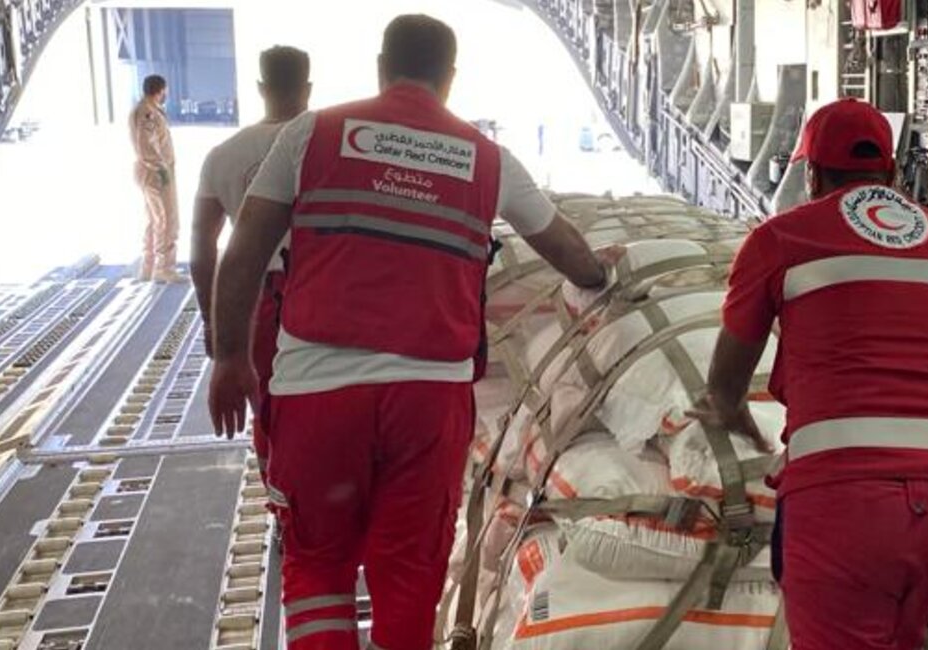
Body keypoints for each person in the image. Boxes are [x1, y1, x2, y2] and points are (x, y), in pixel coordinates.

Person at [205, 15, 612, 650]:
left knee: (316, 564)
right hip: (429, 401)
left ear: (380, 66)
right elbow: (563, 246)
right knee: (409, 576)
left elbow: (244, 251)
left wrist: (230, 355)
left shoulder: (313, 134)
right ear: (449, 78)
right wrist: (599, 276)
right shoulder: (487, 158)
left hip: (317, 391)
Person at [697, 98, 928, 650]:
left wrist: (732, 414)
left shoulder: (779, 238)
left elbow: (725, 385)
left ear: (811, 174)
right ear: (893, 171)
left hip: (846, 509)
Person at [192, 46, 311, 473]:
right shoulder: (324, 146)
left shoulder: (222, 156)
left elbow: (202, 247)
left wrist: (215, 321)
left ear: (261, 88)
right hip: (319, 295)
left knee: (268, 408)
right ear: (308, 87)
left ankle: (281, 502)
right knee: (323, 403)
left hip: (253, 304)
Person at [130, 74, 182, 283]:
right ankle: (164, 268)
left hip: (150, 171)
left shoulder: (147, 110)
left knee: (154, 220)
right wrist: (162, 170)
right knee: (166, 219)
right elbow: (147, 145)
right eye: (165, 90)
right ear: (160, 90)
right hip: (156, 173)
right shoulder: (148, 113)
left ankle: (149, 268)